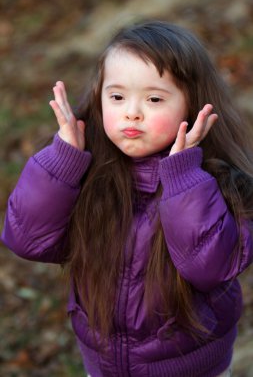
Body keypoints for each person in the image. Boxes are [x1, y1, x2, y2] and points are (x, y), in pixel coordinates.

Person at [1, 20, 253, 377]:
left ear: (193, 106)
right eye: (117, 97)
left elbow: (207, 268)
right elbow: (27, 240)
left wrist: (183, 176)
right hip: (103, 367)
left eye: (153, 99)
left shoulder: (220, 183)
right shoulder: (85, 174)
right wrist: (64, 159)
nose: (132, 112)